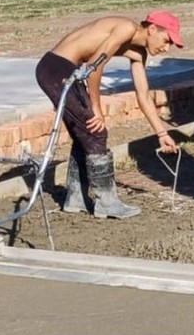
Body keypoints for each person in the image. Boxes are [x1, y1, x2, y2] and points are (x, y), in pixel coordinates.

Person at [35, 12, 183, 220]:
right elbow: (94, 66)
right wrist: (96, 107)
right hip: (56, 68)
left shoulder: (139, 53)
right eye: (166, 40)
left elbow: (143, 95)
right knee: (97, 132)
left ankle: (75, 198)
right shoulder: (127, 28)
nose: (166, 48)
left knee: (85, 133)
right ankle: (107, 202)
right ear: (152, 29)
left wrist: (161, 133)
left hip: (63, 70)